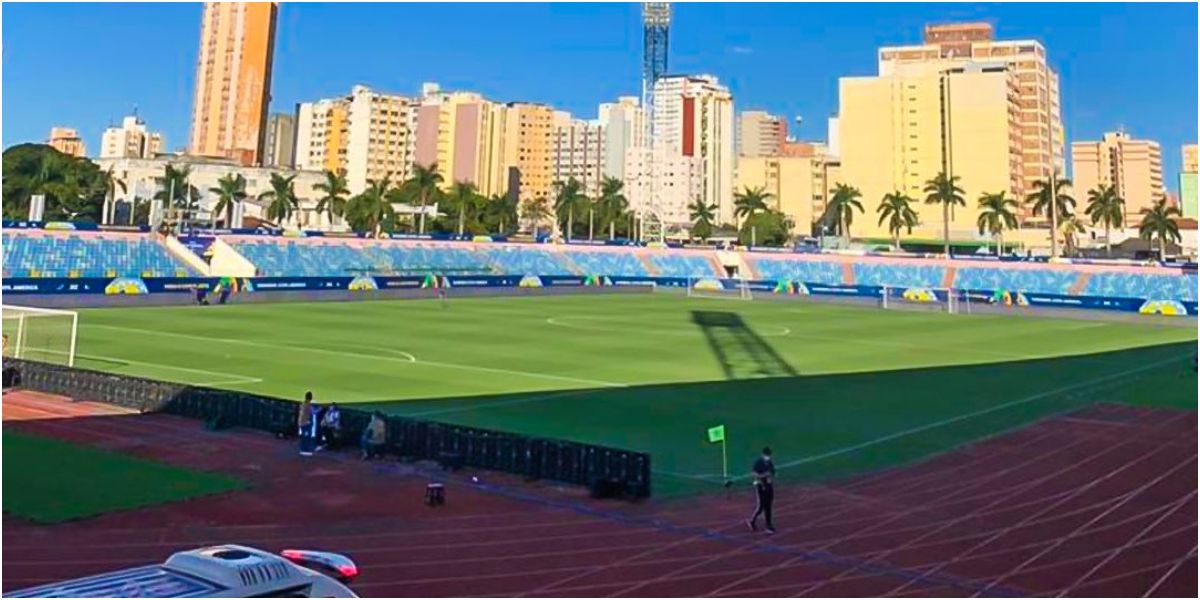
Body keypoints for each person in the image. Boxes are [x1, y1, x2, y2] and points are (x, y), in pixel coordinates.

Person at [746, 446, 777, 534]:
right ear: (763, 454)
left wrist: (773, 474)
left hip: (769, 485)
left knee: (769, 505)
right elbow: (754, 474)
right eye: (767, 455)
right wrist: (764, 475)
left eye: (769, 455)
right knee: (761, 506)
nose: (768, 457)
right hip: (761, 486)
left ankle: (769, 525)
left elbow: (773, 472)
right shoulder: (759, 462)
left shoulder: (769, 462)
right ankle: (752, 521)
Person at [298, 391, 316, 456]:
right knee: (307, 436)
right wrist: (322, 409)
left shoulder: (303, 403)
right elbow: (314, 412)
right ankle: (306, 450)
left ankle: (302, 449)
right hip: (306, 423)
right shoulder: (308, 405)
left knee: (303, 436)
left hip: (301, 422)